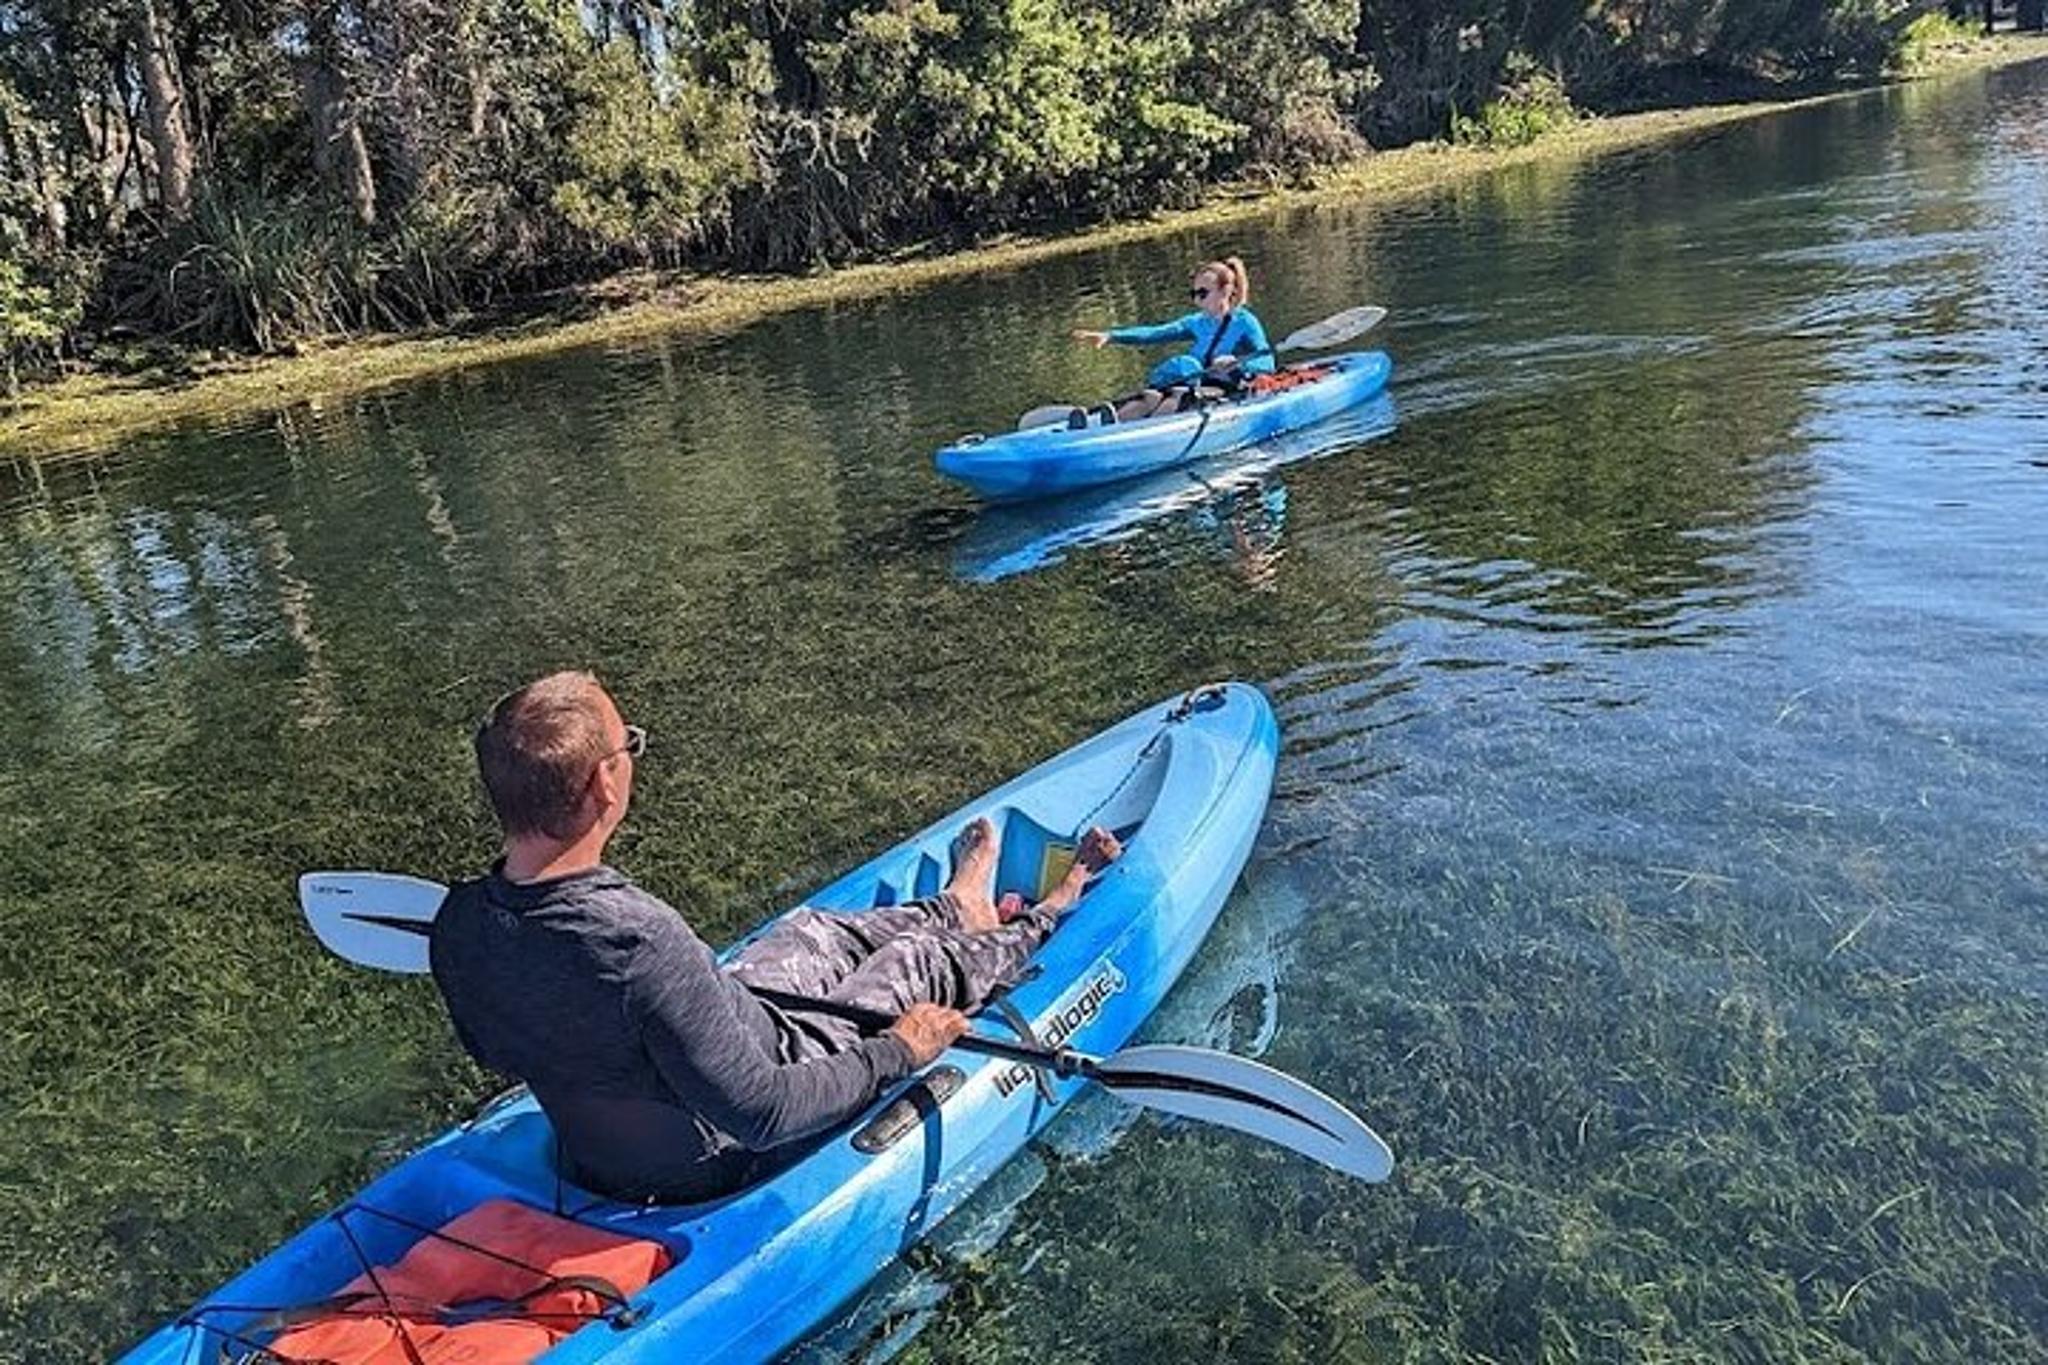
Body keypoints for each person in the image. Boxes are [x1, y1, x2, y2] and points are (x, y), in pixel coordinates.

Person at [429, 671, 1121, 1204]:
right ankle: (1043, 914)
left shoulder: (457, 924)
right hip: (721, 1150)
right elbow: (765, 1112)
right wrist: (899, 1047)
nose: (632, 754)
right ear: (605, 783)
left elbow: (500, 1044)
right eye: (628, 743)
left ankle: (957, 902)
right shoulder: (637, 940)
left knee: (811, 930)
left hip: (660, 1100)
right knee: (915, 965)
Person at [1071, 256, 1276, 424]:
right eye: (1194, 293)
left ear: (1226, 291)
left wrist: (1237, 364)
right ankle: (1108, 427)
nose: (1197, 300)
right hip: (1195, 383)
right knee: (1152, 395)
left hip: (1227, 390)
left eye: (1203, 293)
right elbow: (1154, 333)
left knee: (1178, 395)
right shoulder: (1196, 322)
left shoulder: (1245, 323)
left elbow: (1267, 362)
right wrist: (1112, 336)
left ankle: (1145, 432)